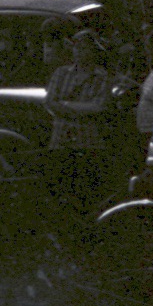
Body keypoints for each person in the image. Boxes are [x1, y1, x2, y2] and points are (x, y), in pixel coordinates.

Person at [44, 28, 114, 214]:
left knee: (86, 190)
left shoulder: (102, 77)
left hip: (88, 141)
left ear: (93, 51)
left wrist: (66, 105)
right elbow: (50, 102)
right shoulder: (61, 73)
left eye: (84, 48)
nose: (79, 52)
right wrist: (81, 108)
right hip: (60, 139)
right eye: (76, 48)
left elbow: (99, 107)